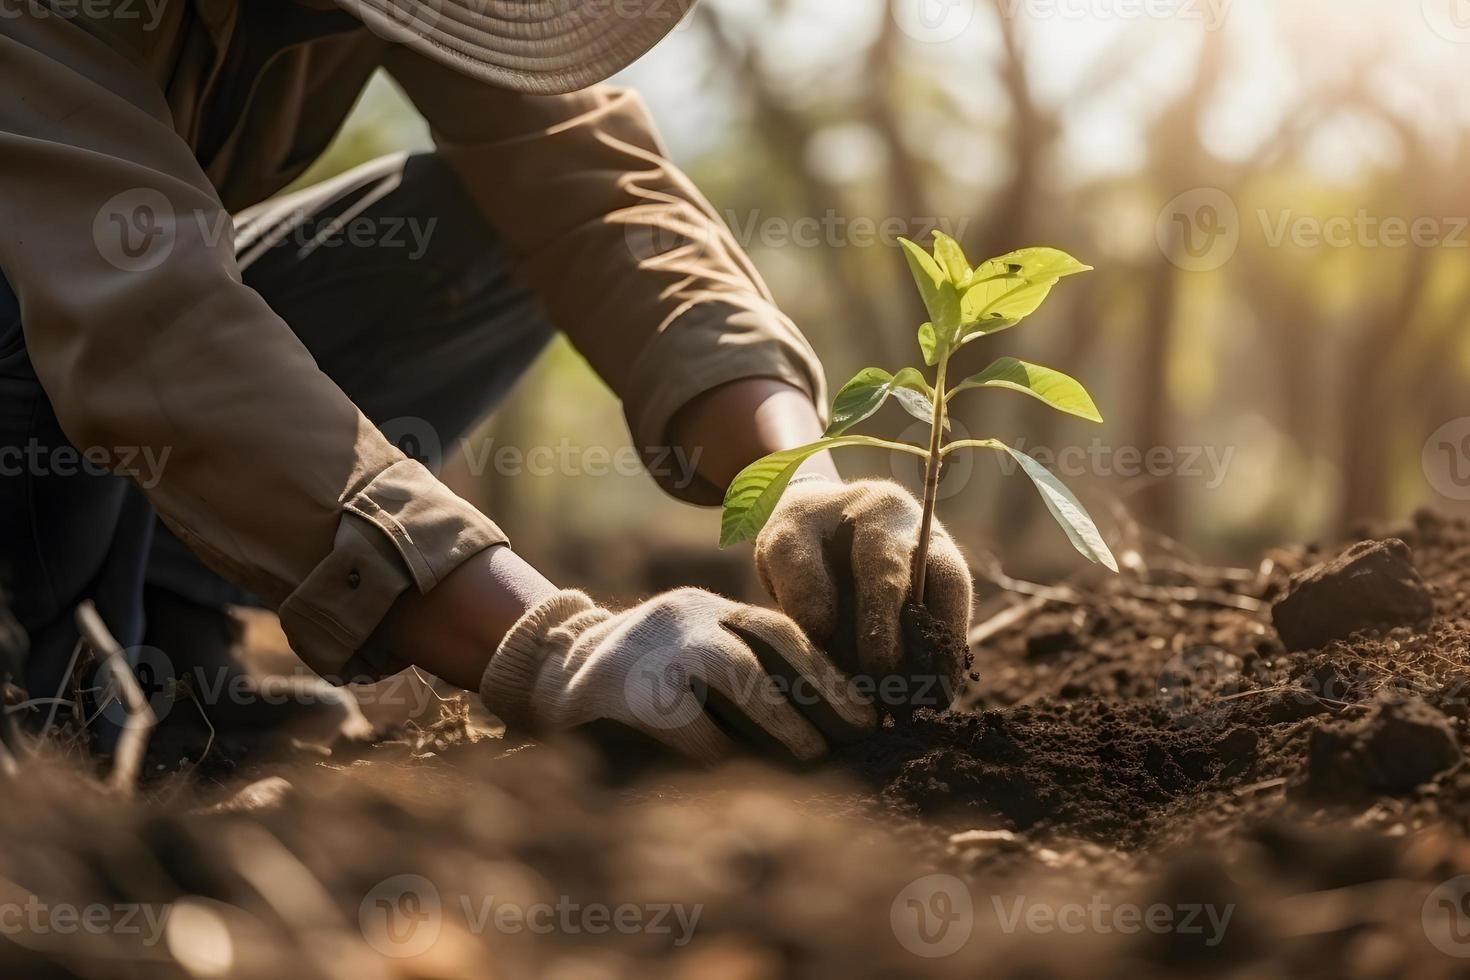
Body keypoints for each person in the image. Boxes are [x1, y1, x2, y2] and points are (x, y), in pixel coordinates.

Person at [0, 0, 972, 763]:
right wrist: (552, 647)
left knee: (477, 229)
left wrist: (799, 475)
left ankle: (168, 627)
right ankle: (56, 665)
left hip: (113, 316)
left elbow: (592, 196)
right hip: (62, 323)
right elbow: (147, 325)